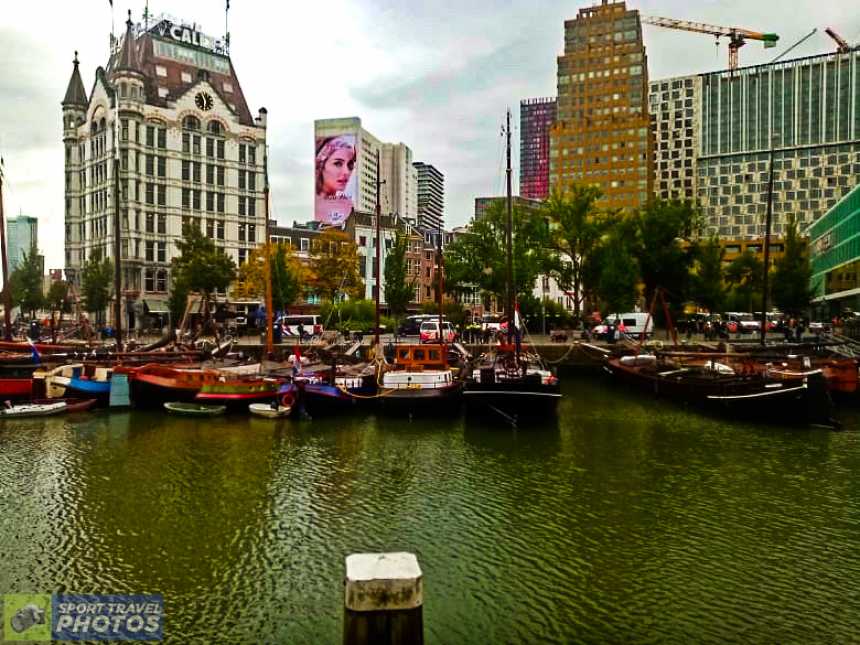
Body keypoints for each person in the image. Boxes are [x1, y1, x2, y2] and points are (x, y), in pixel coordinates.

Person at [315, 136, 356, 225]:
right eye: (338, 163)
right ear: (321, 165)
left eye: (349, 165)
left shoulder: (348, 205)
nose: (346, 172)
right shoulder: (317, 207)